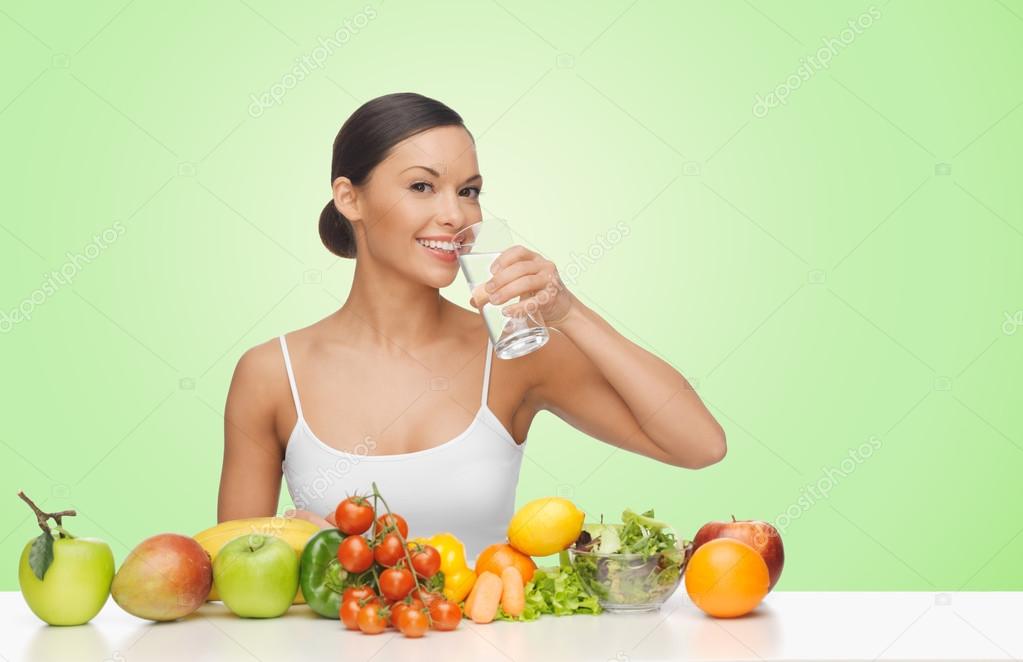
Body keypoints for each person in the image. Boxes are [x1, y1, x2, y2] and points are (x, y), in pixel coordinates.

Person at [217, 92, 726, 563]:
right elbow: (235, 574)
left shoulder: (515, 352)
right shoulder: (271, 373)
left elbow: (700, 445)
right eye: (422, 186)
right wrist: (318, 555)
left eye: (468, 191)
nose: (453, 214)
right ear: (350, 199)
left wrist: (569, 312)